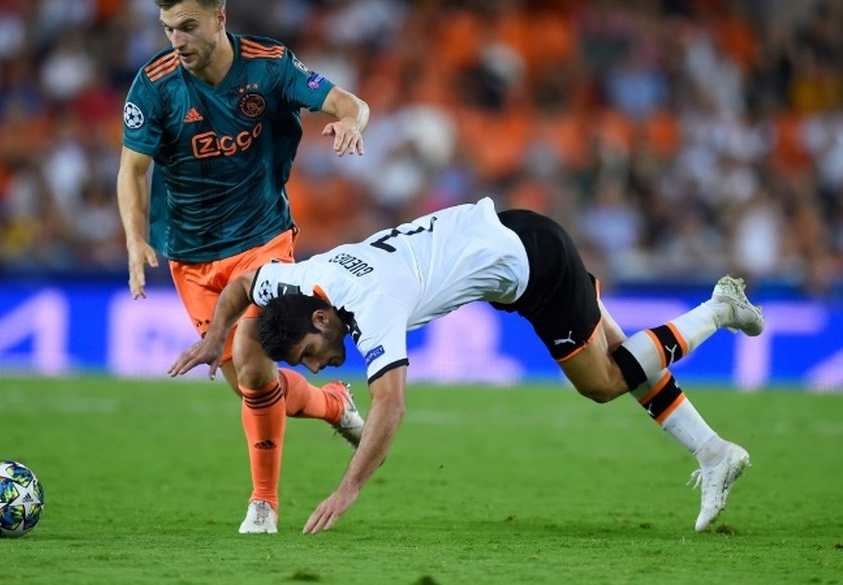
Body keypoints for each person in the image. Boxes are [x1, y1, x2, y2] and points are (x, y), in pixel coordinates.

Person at [170, 197, 764, 534]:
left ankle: (718, 308)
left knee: (605, 381)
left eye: (308, 357)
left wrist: (347, 489)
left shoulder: (370, 304)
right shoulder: (298, 281)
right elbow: (246, 283)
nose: (320, 368)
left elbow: (391, 404)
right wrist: (214, 338)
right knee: (623, 359)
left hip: (535, 265)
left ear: (322, 321)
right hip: (513, 234)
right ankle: (713, 453)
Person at [117, 0, 371, 534]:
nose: (176, 40)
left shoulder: (269, 65)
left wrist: (352, 122)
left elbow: (348, 102)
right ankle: (333, 405)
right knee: (252, 384)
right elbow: (132, 171)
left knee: (256, 366)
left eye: (186, 26)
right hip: (190, 254)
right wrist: (135, 239)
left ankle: (264, 504)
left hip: (263, 239)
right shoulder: (153, 86)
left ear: (219, 19)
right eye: (167, 29)